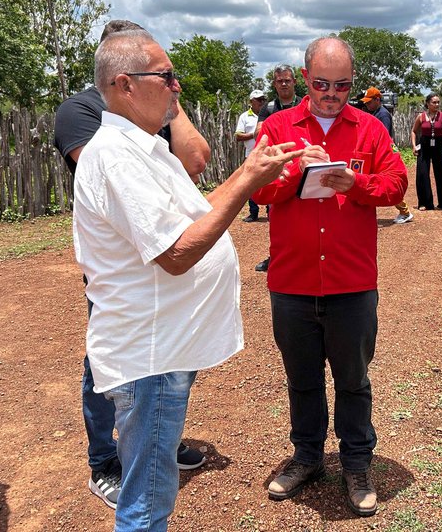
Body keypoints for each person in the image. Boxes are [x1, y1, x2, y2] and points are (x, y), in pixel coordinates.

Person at [73, 29, 301, 531]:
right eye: (167, 76)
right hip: (150, 354)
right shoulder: (114, 155)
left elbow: (198, 213)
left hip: (163, 345)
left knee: (151, 491)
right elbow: (176, 254)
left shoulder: (144, 149)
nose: (177, 87)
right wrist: (247, 180)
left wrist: (247, 174)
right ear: (125, 85)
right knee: (147, 502)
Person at [53, 20, 211, 510]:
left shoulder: (147, 111)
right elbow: (122, 184)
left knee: (158, 378)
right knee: (110, 365)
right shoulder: (83, 113)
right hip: (125, 271)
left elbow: (196, 158)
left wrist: (168, 95)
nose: (172, 82)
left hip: (161, 285)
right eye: (162, 72)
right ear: (120, 70)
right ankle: (106, 458)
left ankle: (150, 437)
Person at [253, 37, 407, 517]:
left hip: (351, 282)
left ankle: (356, 462)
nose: (331, 94)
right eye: (321, 84)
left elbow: (398, 183)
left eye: (342, 85)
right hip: (293, 282)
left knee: (354, 379)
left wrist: (355, 183)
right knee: (301, 379)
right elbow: (256, 187)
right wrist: (293, 173)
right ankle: (307, 457)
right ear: (304, 78)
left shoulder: (370, 129)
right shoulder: (277, 127)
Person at [253, 64, 302, 272]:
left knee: (302, 211)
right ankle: (277, 256)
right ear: (274, 84)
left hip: (301, 162)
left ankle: (302, 255)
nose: (283, 83)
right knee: (275, 213)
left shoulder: (303, 103)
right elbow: (259, 133)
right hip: (278, 167)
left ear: (294, 82)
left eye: (287, 80)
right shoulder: (269, 107)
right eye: (280, 80)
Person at [360, 86, 413, 224]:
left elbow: (384, 135)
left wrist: (381, 154)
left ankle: (405, 211)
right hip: (379, 152)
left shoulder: (383, 114)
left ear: (377, 100)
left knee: (386, 181)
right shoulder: (376, 112)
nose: (366, 104)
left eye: (369, 102)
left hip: (384, 153)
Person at [410, 93, 442, 210]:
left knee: (441, 174)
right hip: (424, 145)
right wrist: (414, 146)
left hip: (439, 145)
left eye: (438, 102)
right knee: (422, 174)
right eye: (434, 102)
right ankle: (425, 203)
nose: (437, 104)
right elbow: (414, 131)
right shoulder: (421, 117)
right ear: (428, 103)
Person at [235, 89, 269, 222]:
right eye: (259, 100)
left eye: (263, 99)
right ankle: (253, 212)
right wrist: (254, 134)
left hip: (267, 153)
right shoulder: (244, 116)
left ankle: (270, 211)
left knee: (269, 181)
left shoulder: (268, 114)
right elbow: (238, 136)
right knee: (250, 182)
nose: (262, 102)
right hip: (250, 154)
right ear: (251, 102)